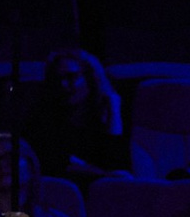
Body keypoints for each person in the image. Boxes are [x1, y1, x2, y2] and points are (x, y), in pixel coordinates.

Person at [21, 45, 127, 189]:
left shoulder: (102, 113)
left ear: (90, 78)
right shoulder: (44, 116)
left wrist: (113, 111)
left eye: (72, 77)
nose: (64, 85)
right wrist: (103, 175)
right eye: (58, 78)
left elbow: (117, 164)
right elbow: (58, 163)